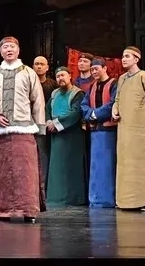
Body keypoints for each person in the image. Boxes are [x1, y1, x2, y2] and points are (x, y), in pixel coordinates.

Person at [0, 36, 45, 222]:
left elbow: (38, 101)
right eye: (5, 47)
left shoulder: (29, 73)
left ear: (18, 50)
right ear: (0, 51)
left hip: (22, 132)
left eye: (12, 47)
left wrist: (39, 128)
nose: (9, 50)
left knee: (25, 173)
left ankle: (27, 211)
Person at [112, 46, 145, 212]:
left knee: (142, 163)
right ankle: (126, 200)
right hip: (124, 127)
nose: (124, 59)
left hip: (141, 128)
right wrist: (115, 109)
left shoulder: (144, 77)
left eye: (128, 56)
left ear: (136, 59)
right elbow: (117, 99)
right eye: (123, 56)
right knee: (126, 163)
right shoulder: (122, 79)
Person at [45, 67, 87, 206]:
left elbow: (75, 113)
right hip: (56, 135)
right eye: (57, 76)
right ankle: (56, 198)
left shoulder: (77, 93)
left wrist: (57, 123)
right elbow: (47, 109)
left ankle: (73, 198)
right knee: (57, 167)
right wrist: (49, 121)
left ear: (70, 76)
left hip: (72, 135)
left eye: (63, 75)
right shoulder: (54, 93)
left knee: (70, 167)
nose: (60, 78)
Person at [82, 57, 118, 208]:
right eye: (92, 70)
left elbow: (113, 103)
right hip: (94, 131)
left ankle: (108, 199)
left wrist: (95, 114)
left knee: (107, 166)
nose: (94, 72)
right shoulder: (92, 86)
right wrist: (90, 114)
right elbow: (84, 104)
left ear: (105, 68)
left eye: (96, 69)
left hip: (109, 131)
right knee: (95, 167)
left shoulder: (114, 84)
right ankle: (95, 199)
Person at [33, 55, 56, 208]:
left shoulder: (53, 84)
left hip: (50, 124)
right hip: (34, 124)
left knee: (47, 155)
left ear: (47, 67)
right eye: (36, 64)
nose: (39, 66)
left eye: (42, 64)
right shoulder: (30, 82)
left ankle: (46, 186)